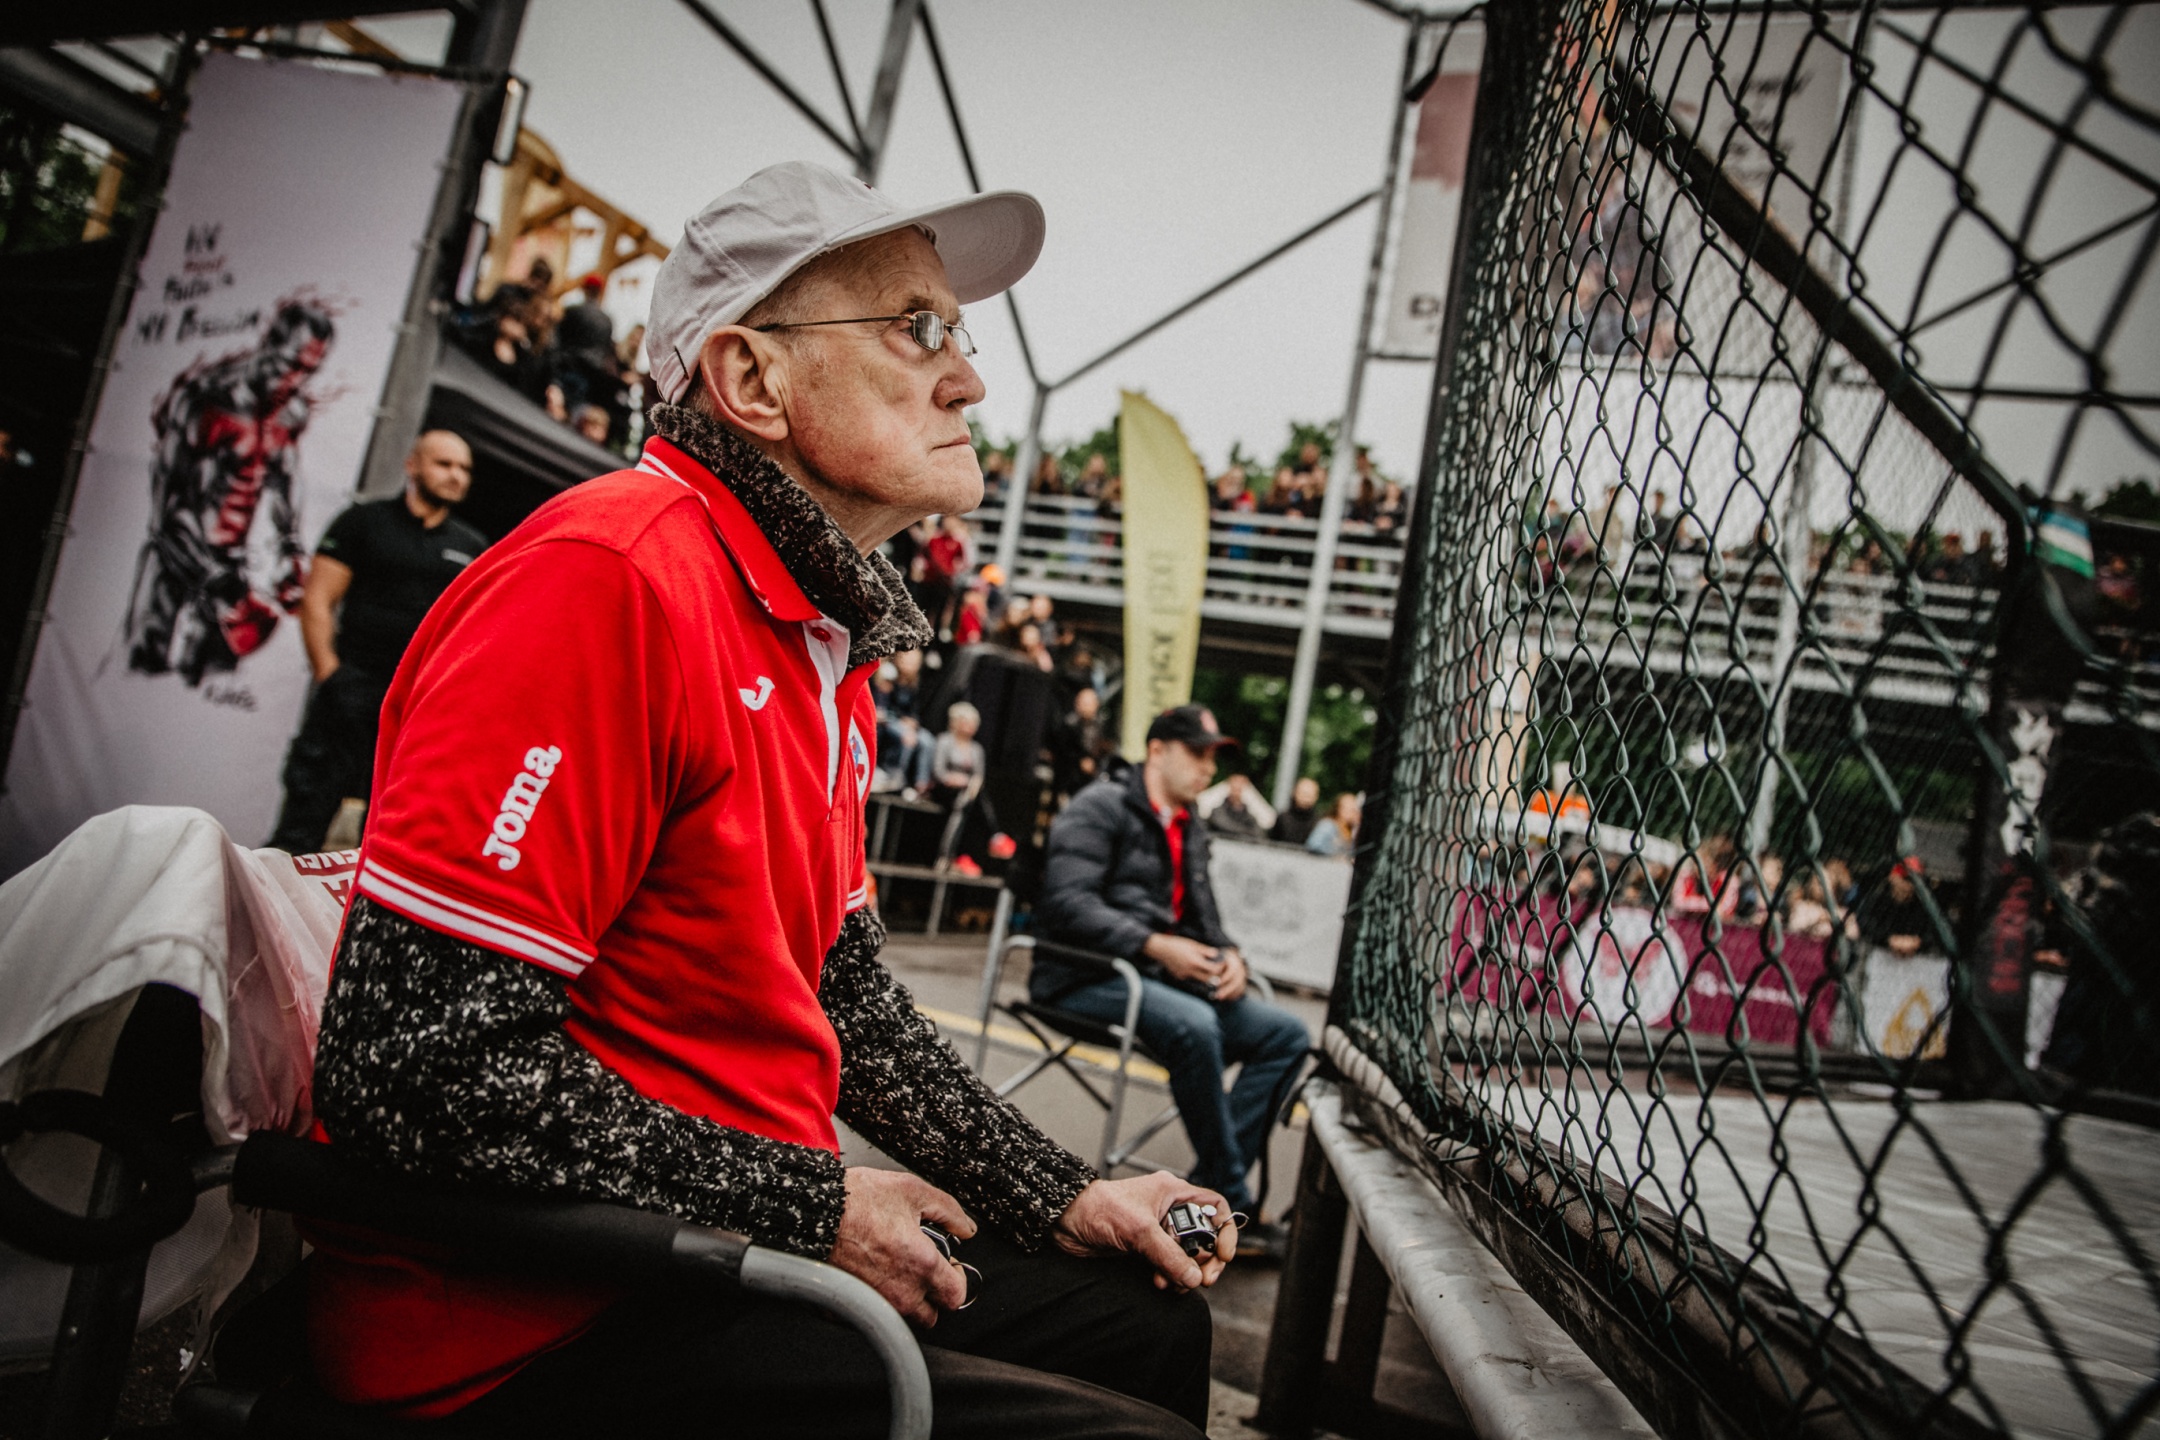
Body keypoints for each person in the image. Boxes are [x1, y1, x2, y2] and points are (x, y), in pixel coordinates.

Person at [307, 161, 1231, 1438]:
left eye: (956, 335)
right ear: (751, 381)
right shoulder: (608, 579)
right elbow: (411, 1068)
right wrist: (815, 1205)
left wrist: (1064, 1193)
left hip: (711, 1255)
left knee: (1150, 1316)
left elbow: (844, 998)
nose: (968, 380)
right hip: (540, 1321)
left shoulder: (815, 638)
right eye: (917, 330)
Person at [1035, 706, 1312, 1241]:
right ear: (1157, 750)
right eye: (1197, 752)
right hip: (1082, 975)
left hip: (1157, 980)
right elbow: (1068, 901)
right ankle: (1229, 1200)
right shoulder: (1100, 805)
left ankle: (1208, 1189)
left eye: (1213, 756)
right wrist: (1155, 945)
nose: (1208, 767)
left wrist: (1231, 954)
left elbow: (1206, 918)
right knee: (1195, 1025)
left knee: (1287, 1034)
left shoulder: (1191, 825)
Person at [266, 429, 484, 854]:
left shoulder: (471, 547)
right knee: (299, 832)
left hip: (414, 712)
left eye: (464, 468)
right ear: (412, 465)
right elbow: (317, 600)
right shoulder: (363, 522)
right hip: (348, 693)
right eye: (444, 464)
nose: (456, 475)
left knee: (383, 841)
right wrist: (331, 675)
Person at [125, 298, 335, 686]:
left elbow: (285, 481)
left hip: (230, 566)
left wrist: (289, 548)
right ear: (270, 344)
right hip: (178, 561)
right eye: (291, 364)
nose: (295, 380)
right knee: (140, 675)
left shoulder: (291, 413)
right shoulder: (208, 398)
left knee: (211, 683)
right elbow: (167, 507)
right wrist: (212, 577)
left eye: (309, 370)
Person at [1860, 856, 1935, 956]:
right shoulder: (1877, 901)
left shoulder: (1926, 906)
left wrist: (1917, 941)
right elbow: (1864, 925)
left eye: (1914, 881)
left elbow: (1936, 932)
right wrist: (1889, 939)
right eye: (1905, 879)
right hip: (1880, 955)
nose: (1909, 886)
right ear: (1892, 878)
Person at [1205, 772, 1270, 842]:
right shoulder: (1217, 811)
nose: (1236, 793)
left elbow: (1258, 832)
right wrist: (1246, 832)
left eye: (1239, 789)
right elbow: (1223, 825)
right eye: (1235, 789)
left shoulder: (1248, 815)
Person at [1270, 776, 1322, 847]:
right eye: (1303, 793)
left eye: (1309, 795)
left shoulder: (1319, 823)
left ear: (1316, 796)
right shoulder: (1283, 819)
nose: (1306, 798)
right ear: (1295, 793)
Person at [1306, 792, 1361, 858]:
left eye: (1355, 810)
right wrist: (1335, 855)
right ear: (1339, 809)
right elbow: (1313, 845)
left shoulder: (1352, 831)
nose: (1354, 813)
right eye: (1350, 809)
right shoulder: (1328, 825)